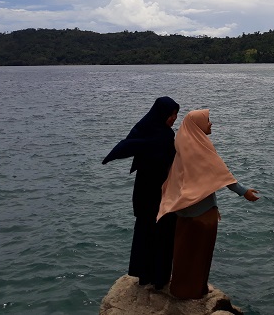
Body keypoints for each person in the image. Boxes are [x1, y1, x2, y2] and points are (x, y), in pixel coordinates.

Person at [157, 109, 259, 299]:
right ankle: (197, 291)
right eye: (207, 121)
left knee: (183, 252)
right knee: (200, 254)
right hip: (202, 213)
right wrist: (244, 192)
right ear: (197, 126)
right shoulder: (200, 147)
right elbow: (221, 174)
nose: (211, 124)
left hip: (182, 210)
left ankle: (179, 288)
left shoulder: (181, 143)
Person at [102, 96, 180, 288]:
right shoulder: (158, 133)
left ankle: (151, 277)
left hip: (152, 190)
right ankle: (154, 278)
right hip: (153, 192)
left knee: (150, 231)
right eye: (171, 114)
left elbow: (130, 145)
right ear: (162, 114)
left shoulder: (149, 130)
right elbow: (129, 146)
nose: (174, 118)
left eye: (176, 114)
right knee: (157, 232)